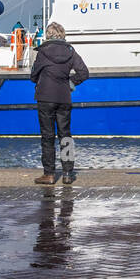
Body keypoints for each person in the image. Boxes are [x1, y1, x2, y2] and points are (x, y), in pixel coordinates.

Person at [29, 22, 89, 185]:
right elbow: (84, 73)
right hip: (64, 97)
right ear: (63, 35)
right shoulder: (70, 51)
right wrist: (69, 83)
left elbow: (33, 76)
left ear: (48, 35)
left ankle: (49, 174)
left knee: (47, 136)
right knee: (65, 135)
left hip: (45, 97)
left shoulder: (42, 52)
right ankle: (68, 173)